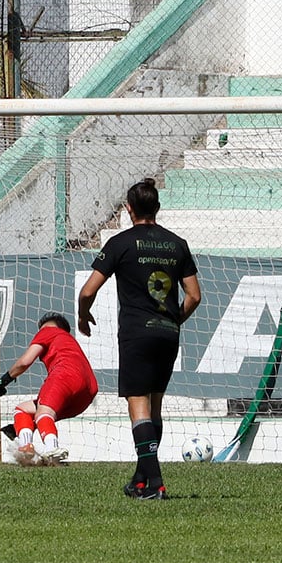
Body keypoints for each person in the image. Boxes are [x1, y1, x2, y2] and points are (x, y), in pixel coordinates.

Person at [77, 179, 201, 499]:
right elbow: (194, 296)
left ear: (128, 209)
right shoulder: (177, 244)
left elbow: (88, 290)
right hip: (168, 333)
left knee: (139, 408)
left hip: (136, 333)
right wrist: (173, 320)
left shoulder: (120, 243)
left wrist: (82, 314)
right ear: (157, 208)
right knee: (154, 407)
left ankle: (155, 483)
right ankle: (141, 480)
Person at [0, 312, 98, 463]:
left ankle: (52, 449)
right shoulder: (69, 340)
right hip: (88, 391)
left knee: (44, 411)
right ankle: (25, 446)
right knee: (23, 409)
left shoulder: (48, 331)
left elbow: (25, 361)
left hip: (65, 374)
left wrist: (4, 381)